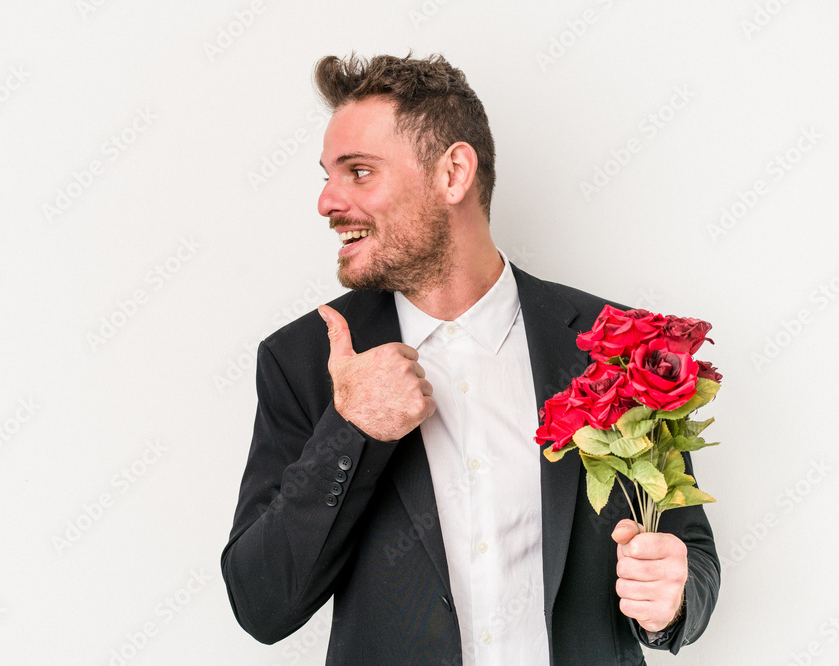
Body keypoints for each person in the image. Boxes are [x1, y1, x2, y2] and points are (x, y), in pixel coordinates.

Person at [222, 52, 719, 665]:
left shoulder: (617, 345)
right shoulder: (303, 360)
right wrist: (350, 432)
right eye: (327, 175)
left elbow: (690, 551)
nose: (327, 201)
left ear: (453, 173)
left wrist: (672, 600)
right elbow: (262, 606)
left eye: (358, 172)